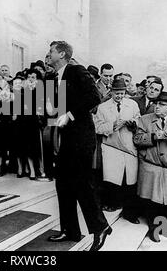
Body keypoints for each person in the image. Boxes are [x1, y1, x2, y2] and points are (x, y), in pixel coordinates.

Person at [46, 41, 111, 251]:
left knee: (82, 183)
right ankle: (70, 229)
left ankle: (100, 227)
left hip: (82, 138)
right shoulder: (52, 77)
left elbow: (94, 97)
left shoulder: (76, 70)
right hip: (66, 138)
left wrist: (70, 115)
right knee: (63, 183)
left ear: (62, 54)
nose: (48, 55)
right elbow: (54, 109)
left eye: (51, 51)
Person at [134, 92, 167, 242]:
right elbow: (137, 139)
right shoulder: (144, 120)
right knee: (152, 202)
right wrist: (155, 136)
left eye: (162, 105)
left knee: (165, 202)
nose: (157, 106)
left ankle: (163, 229)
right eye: (156, 103)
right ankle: (155, 230)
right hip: (151, 166)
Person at [93, 78, 140, 223]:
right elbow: (97, 128)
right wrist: (114, 124)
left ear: (125, 92)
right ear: (111, 92)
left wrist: (133, 124)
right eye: (116, 93)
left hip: (129, 146)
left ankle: (129, 211)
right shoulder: (103, 107)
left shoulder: (132, 104)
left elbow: (139, 121)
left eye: (122, 93)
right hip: (111, 146)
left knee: (130, 179)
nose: (119, 96)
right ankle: (111, 204)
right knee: (112, 178)